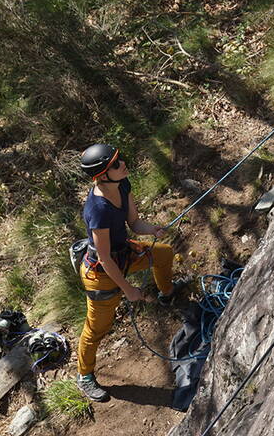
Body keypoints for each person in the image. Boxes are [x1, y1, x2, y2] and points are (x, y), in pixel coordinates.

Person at [75, 143, 177, 401]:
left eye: (121, 160)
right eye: (117, 164)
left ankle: (167, 294)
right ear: (102, 175)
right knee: (97, 328)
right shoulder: (97, 210)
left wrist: (151, 229)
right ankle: (84, 375)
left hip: (123, 253)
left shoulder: (123, 184)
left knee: (163, 254)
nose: (124, 165)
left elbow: (133, 222)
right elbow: (105, 258)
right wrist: (128, 290)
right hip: (101, 273)